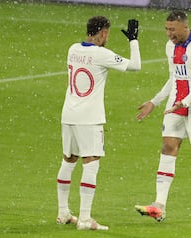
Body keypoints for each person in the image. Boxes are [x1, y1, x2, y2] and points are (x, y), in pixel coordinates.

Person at [135, 10, 191, 222]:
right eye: (166, 29)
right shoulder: (170, 47)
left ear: (185, 27)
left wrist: (184, 102)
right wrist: (154, 102)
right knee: (168, 147)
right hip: (175, 104)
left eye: (172, 30)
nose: (169, 34)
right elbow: (174, 78)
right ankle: (159, 205)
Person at [56, 16, 140, 231]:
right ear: (103, 32)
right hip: (89, 118)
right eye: (107, 34)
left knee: (69, 160)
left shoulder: (73, 49)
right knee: (91, 163)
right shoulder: (102, 54)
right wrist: (134, 40)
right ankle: (85, 218)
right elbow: (135, 66)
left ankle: (63, 212)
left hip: (69, 114)